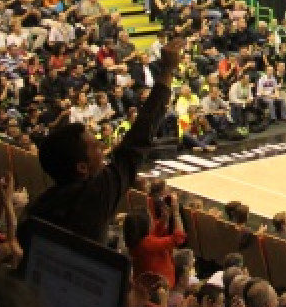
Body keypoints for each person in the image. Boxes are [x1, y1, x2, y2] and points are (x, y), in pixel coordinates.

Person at [28, 37, 178, 242]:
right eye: (95, 148)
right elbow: (139, 136)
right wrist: (168, 70)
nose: (101, 147)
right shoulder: (96, 193)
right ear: (82, 168)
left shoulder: (39, 208)